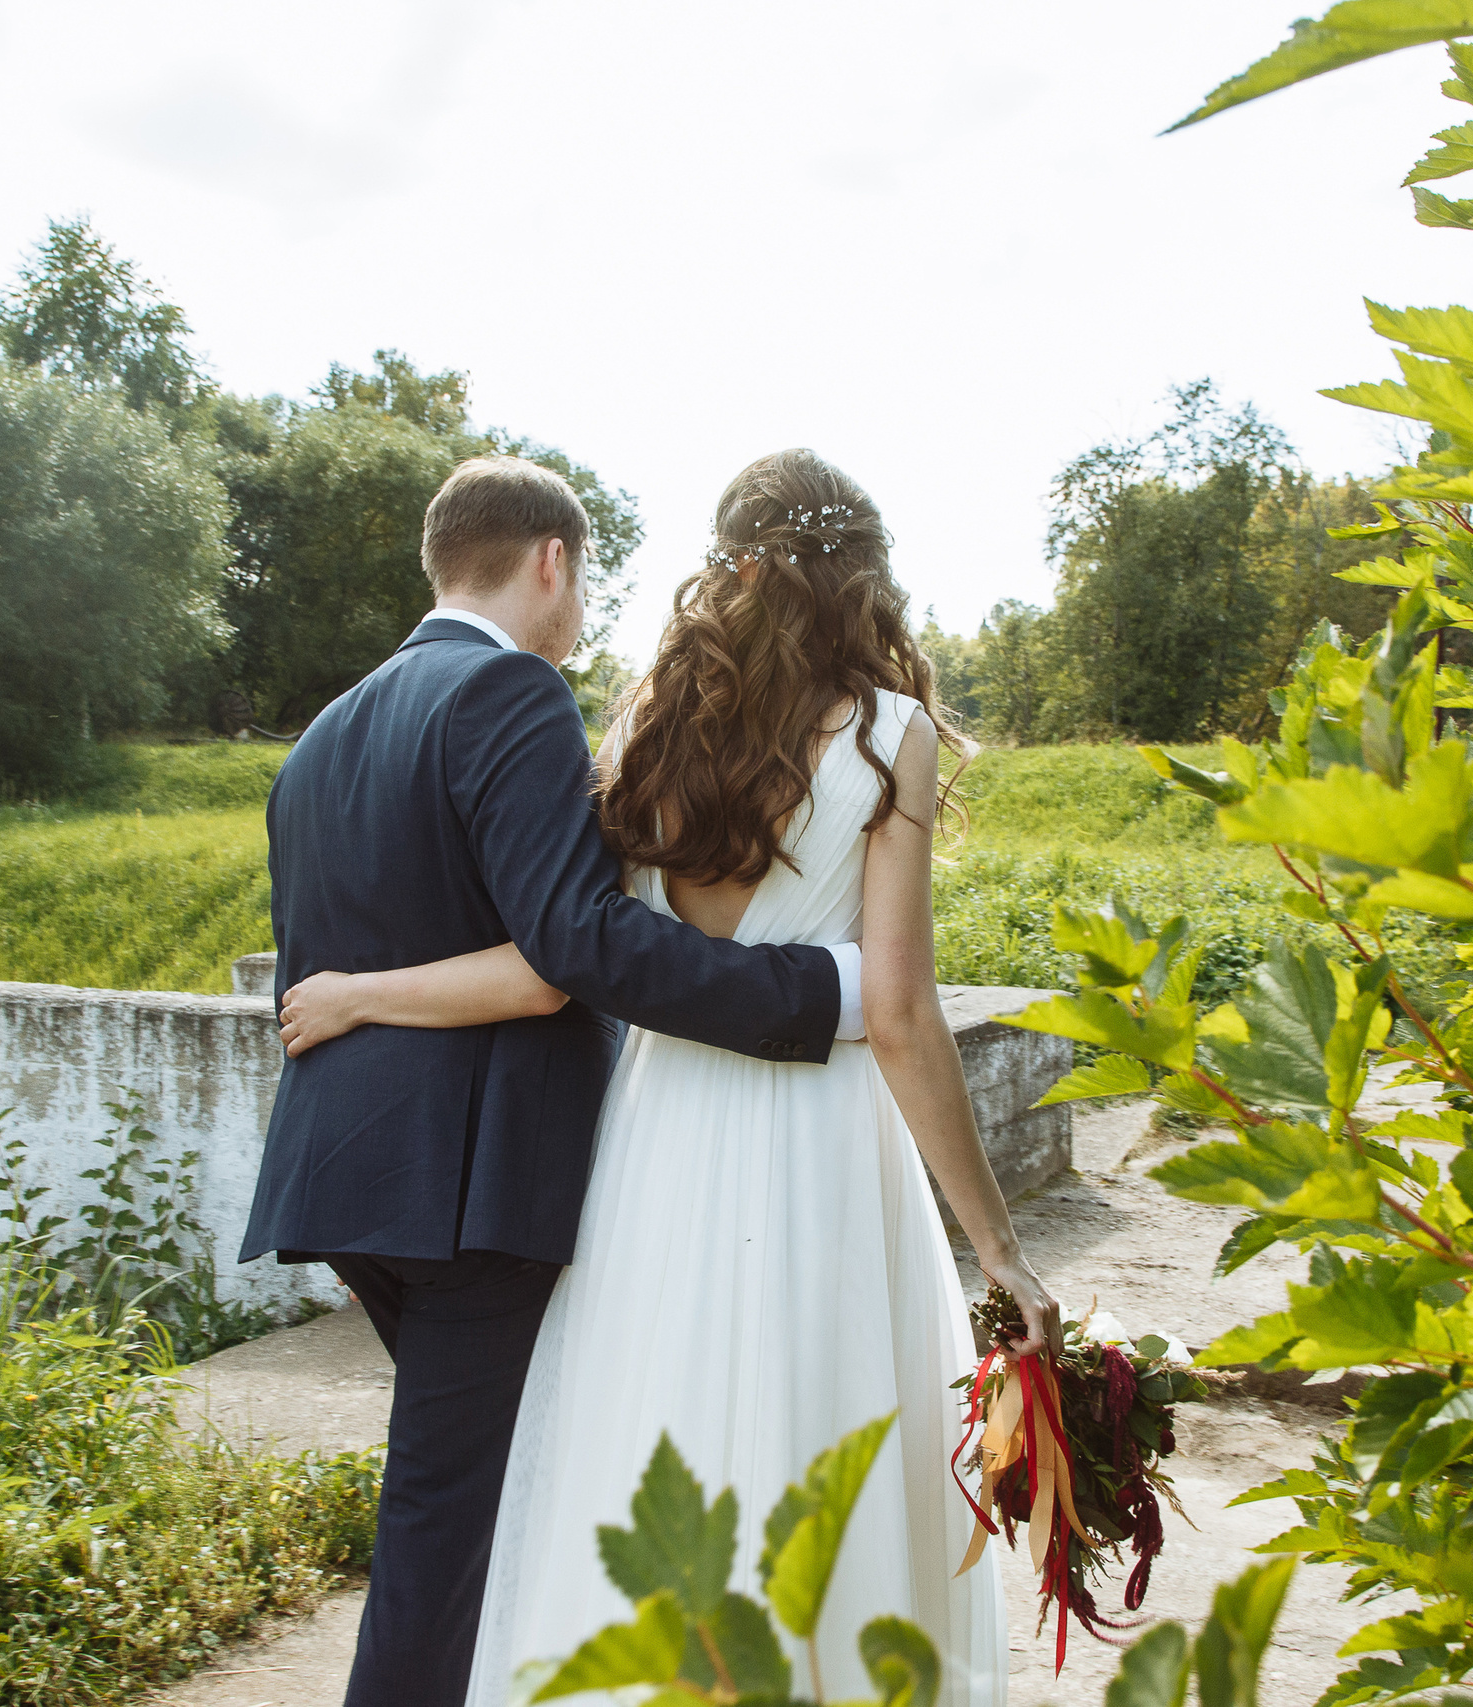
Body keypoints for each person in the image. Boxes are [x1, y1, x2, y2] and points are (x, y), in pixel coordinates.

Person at [278, 448, 1056, 1706]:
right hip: (817, 1139)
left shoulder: (641, 727)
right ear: (862, 572)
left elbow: (572, 945)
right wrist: (998, 1248)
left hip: (646, 1144)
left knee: (641, 1436)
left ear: (730, 566)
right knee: (823, 1438)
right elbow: (901, 1014)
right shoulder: (887, 735)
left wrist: (361, 997)